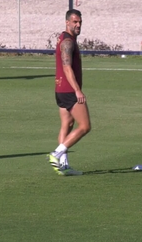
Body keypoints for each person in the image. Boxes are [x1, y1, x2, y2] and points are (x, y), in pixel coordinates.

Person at [47, 9, 91, 176]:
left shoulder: (66, 39)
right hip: (69, 91)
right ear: (67, 22)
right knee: (85, 126)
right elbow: (66, 67)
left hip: (60, 90)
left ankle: (64, 166)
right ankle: (56, 154)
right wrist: (78, 91)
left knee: (68, 125)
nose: (78, 25)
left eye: (79, 22)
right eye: (74, 22)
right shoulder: (68, 42)